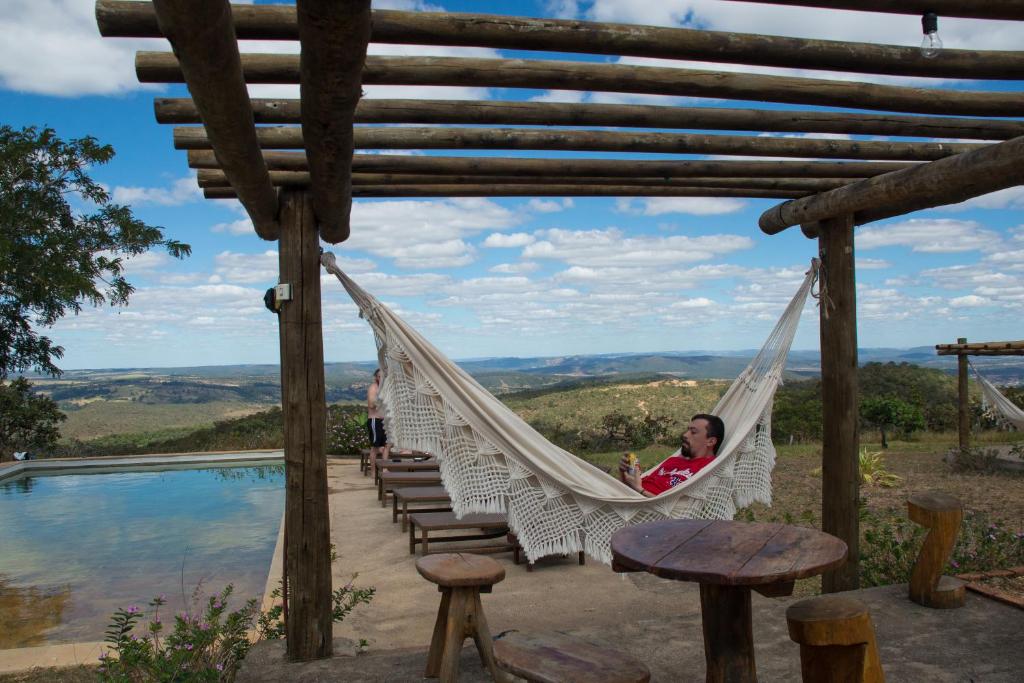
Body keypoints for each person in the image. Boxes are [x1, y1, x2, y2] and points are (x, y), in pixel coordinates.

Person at [618, 414, 725, 497]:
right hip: (628, 500)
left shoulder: (710, 470)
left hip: (648, 512)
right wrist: (625, 476)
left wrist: (640, 490)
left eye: (693, 432)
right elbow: (636, 486)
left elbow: (674, 508)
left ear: (711, 441)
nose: (685, 435)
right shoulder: (673, 461)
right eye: (687, 430)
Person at [366, 368, 390, 477]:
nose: (382, 378)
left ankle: (384, 469)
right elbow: (371, 405)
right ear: (376, 377)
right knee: (375, 447)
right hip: (375, 420)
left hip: (385, 421)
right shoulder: (373, 388)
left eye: (384, 376)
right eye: (380, 376)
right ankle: (373, 472)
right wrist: (384, 401)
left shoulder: (386, 389)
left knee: (387, 445)